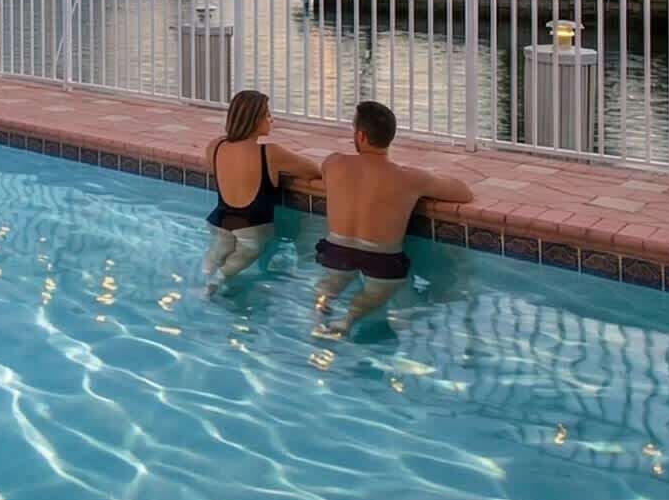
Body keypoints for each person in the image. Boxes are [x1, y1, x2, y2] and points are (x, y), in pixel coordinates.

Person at [312, 99, 475, 337]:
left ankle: (319, 312)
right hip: (382, 261)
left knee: (329, 286)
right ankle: (348, 320)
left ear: (361, 136)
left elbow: (329, 179)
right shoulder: (408, 179)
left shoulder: (334, 163)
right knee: (375, 295)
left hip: (336, 252)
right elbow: (464, 193)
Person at [202, 90, 322, 286]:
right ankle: (214, 283)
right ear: (255, 120)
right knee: (245, 254)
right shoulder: (270, 153)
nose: (271, 120)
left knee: (218, 252)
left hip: (219, 221)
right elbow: (314, 170)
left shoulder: (215, 146)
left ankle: (204, 276)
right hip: (252, 229)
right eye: (267, 114)